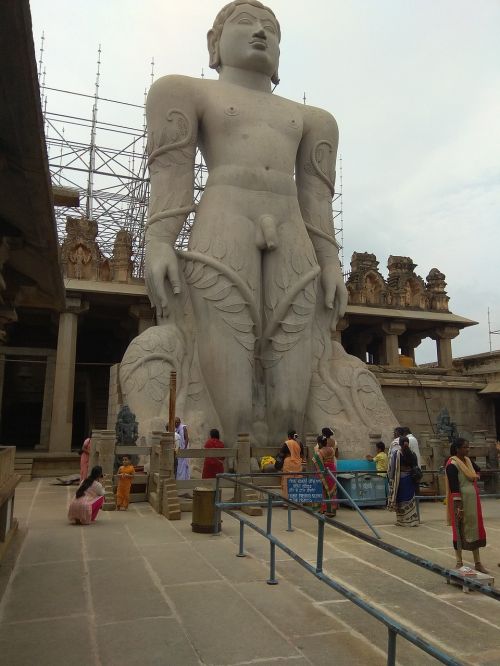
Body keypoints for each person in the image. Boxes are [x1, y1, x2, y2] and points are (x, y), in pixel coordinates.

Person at [144, 0, 348, 448]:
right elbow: (171, 175)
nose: (261, 32)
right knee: (230, 381)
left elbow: (317, 200)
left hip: (292, 232)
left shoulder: (314, 119)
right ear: (214, 43)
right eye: (245, 22)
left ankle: (285, 459)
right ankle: (232, 462)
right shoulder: (183, 91)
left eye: (271, 28)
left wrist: (332, 262)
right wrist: (158, 241)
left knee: (290, 393)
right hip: (224, 223)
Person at [445, 439, 487, 573]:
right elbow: (453, 486)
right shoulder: (452, 464)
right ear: (457, 449)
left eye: (468, 447)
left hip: (473, 501)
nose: (467, 449)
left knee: (474, 529)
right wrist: (458, 506)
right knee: (459, 529)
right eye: (465, 447)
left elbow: (478, 471)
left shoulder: (468, 461)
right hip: (460, 501)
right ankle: (459, 562)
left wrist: (475, 477)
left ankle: (478, 562)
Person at [387, 436, 419, 527]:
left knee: (400, 500)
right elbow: (415, 466)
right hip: (410, 479)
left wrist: (391, 478)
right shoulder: (413, 454)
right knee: (410, 499)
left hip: (400, 480)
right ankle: (412, 520)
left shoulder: (397, 454)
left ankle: (402, 521)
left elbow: (392, 468)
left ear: (400, 444)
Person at [312, 434, 337, 516]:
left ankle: (324, 509)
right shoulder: (332, 449)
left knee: (323, 490)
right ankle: (333, 509)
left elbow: (318, 465)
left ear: (319, 443)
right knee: (332, 490)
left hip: (325, 472)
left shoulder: (319, 453)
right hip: (332, 471)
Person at [278, 430, 304, 500]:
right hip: (298, 464)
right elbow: (302, 455)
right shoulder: (299, 443)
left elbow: (281, 454)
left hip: (288, 463)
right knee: (297, 482)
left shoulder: (287, 443)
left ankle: (288, 502)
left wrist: (278, 465)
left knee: (287, 482)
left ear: (289, 436)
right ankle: (297, 501)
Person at [175, 416, 190, 480]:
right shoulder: (176, 429)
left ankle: (184, 479)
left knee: (184, 465)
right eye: (175, 423)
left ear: (180, 422)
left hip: (184, 449)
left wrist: (185, 448)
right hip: (179, 449)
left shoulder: (183, 428)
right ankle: (179, 479)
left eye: (177, 422)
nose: (176, 424)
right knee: (179, 465)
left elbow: (186, 438)